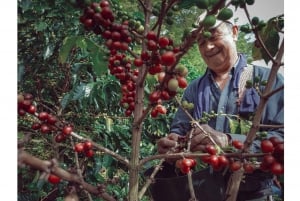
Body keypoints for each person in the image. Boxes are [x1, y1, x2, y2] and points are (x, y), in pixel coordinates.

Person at [154, 12, 284, 201]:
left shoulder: (268, 81)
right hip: (202, 193)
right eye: (200, 42)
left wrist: (229, 141)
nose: (208, 46)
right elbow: (180, 132)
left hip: (253, 195)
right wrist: (173, 146)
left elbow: (285, 139)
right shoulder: (193, 89)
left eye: (213, 36)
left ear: (234, 32)